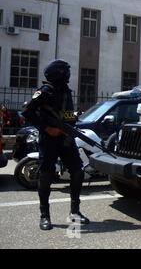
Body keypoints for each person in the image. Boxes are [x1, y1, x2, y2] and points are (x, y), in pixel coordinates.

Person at [22, 60, 90, 231]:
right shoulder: (45, 91)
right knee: (46, 175)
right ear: (57, 73)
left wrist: (72, 122)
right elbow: (27, 112)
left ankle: (75, 212)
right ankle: (44, 215)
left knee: (78, 172)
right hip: (49, 139)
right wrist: (47, 128)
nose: (68, 74)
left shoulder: (66, 90)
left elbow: (66, 114)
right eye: (65, 71)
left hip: (65, 139)